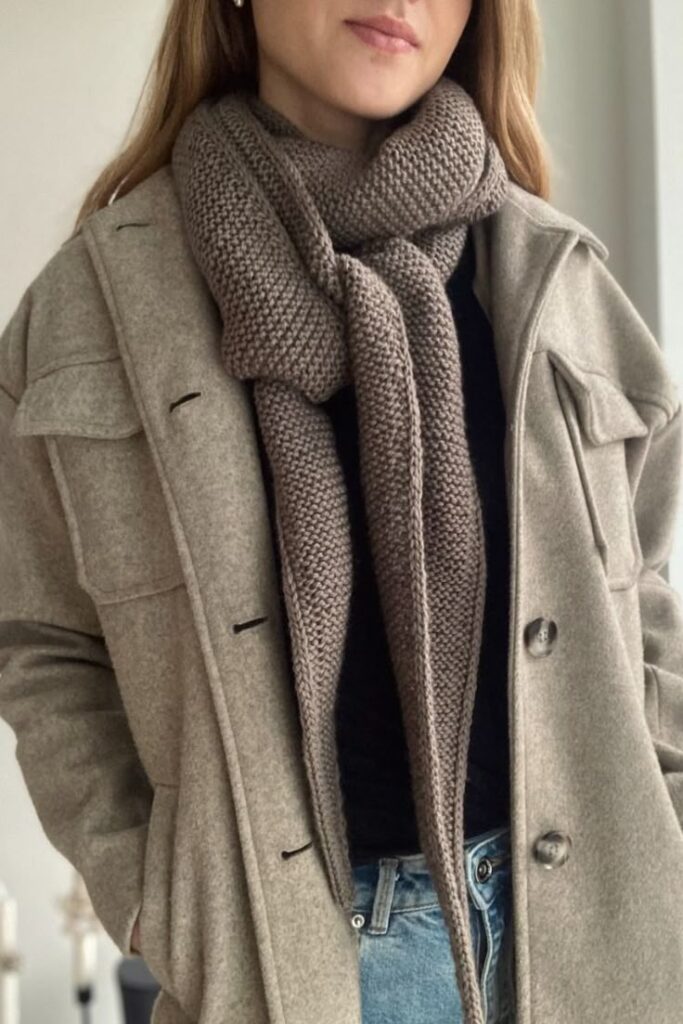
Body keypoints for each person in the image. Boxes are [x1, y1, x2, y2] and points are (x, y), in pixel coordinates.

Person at [1, 2, 682, 1023]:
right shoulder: (96, 304)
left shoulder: (555, 275)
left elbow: (646, 586)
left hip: (602, 947)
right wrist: (161, 900)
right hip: (297, 971)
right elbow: (40, 641)